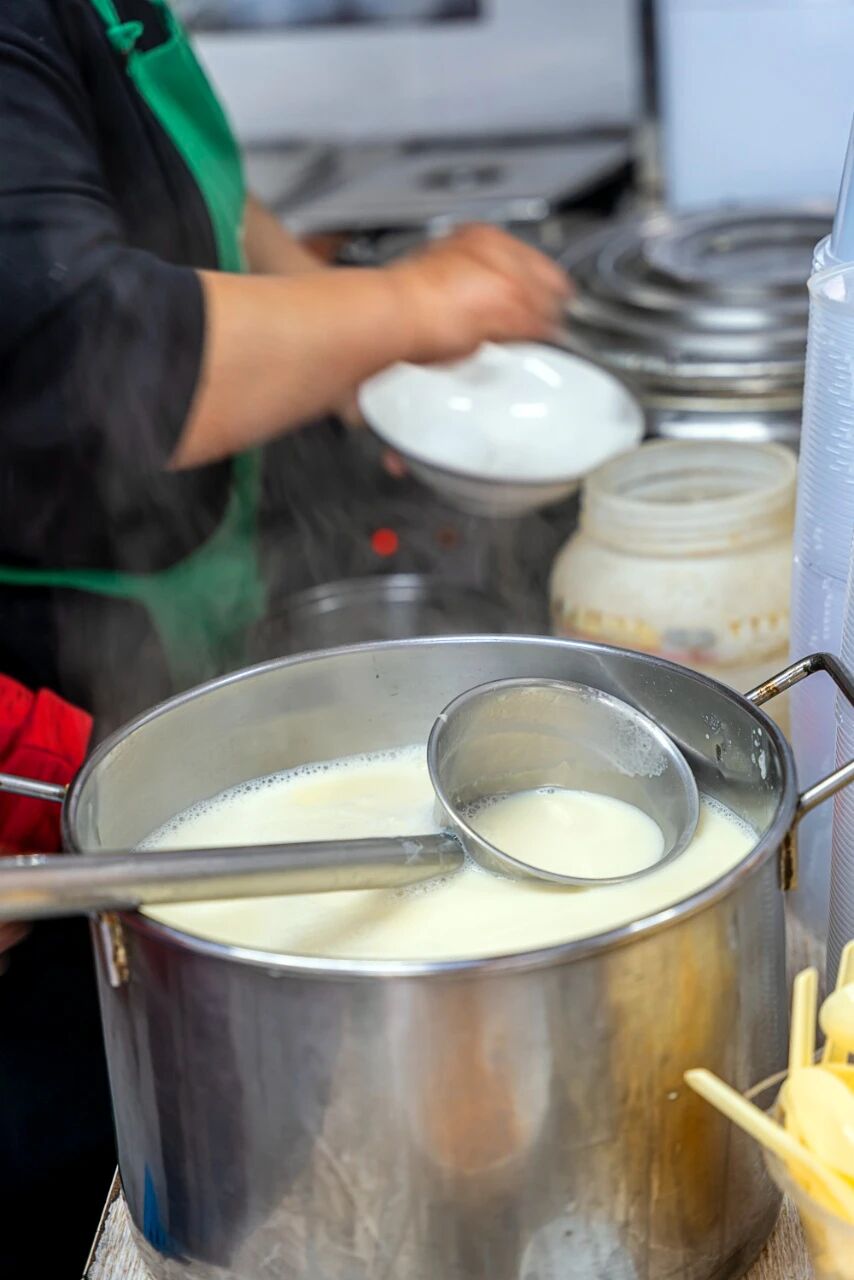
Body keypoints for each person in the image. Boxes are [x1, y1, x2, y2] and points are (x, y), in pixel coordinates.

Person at [0, 0, 569, 1269]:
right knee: (72, 1128)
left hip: (156, 634)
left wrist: (324, 298)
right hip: (31, 705)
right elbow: (77, 348)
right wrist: (402, 307)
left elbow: (176, 195)